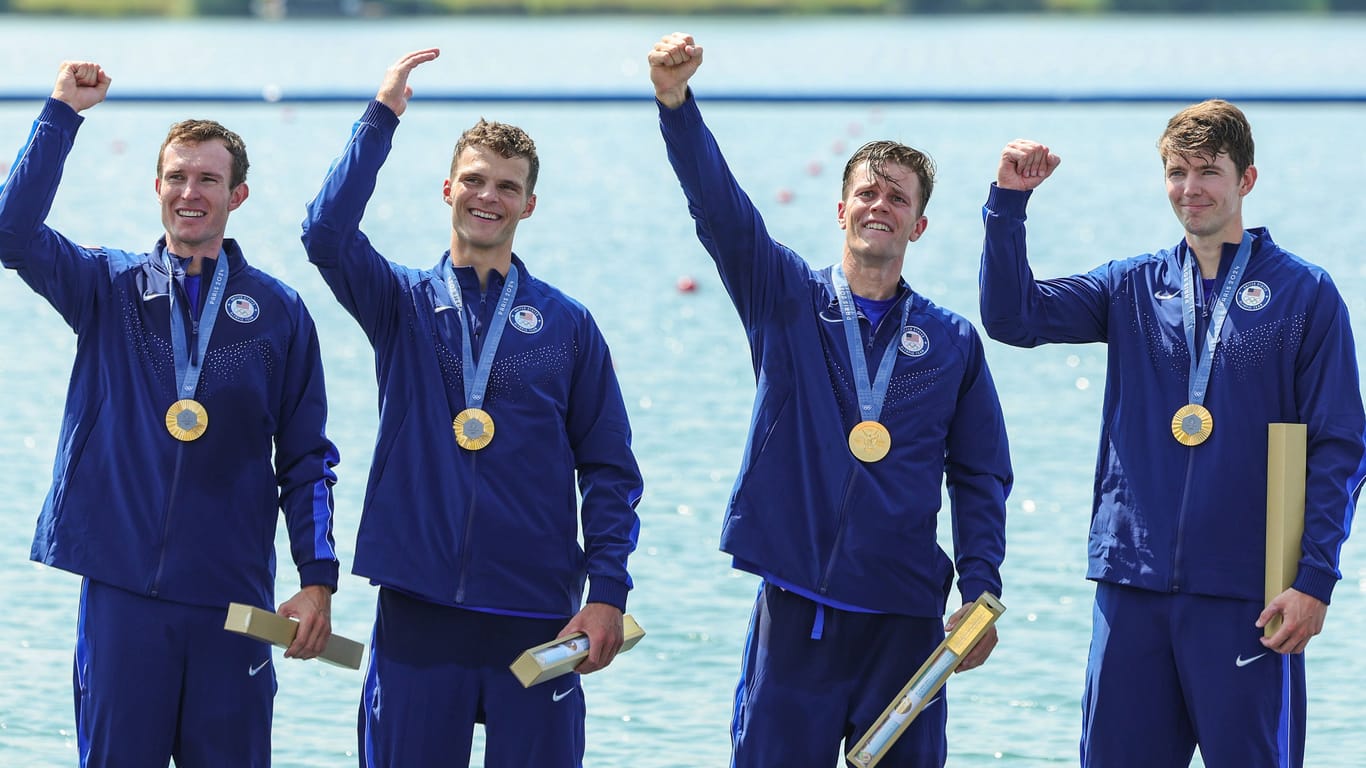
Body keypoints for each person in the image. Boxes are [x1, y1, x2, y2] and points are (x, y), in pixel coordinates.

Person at [649, 33, 1011, 768]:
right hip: (797, 613)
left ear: (919, 224)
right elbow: (719, 209)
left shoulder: (951, 342)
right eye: (868, 192)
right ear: (840, 208)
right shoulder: (784, 298)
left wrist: (981, 588)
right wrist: (675, 104)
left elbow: (980, 477)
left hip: (905, 623)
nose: (881, 204)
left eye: (898, 197)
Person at [980, 102, 1366, 766]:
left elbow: (1339, 446)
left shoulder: (1305, 294)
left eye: (1209, 172)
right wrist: (1008, 206)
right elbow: (1013, 317)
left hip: (1250, 595)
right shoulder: (1132, 286)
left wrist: (1314, 580)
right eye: (1177, 172)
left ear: (1246, 179)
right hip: (1132, 590)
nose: (1192, 189)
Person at [300, 49, 643, 768]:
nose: (489, 197)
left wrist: (607, 590)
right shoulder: (400, 303)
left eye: (507, 187)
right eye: (476, 181)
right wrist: (381, 116)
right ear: (449, 188)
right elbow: (325, 234)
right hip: (419, 611)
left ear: (528, 205)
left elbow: (609, 470)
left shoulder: (568, 326)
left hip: (537, 618)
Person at [0, 62, 340, 766]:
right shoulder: (107, 285)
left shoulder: (277, 313)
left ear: (237, 195)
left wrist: (316, 580)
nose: (191, 192)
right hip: (123, 596)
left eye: (208, 180)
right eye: (178, 177)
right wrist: (63, 113)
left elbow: (307, 460)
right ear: (157, 187)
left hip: (232, 604)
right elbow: (11, 232)